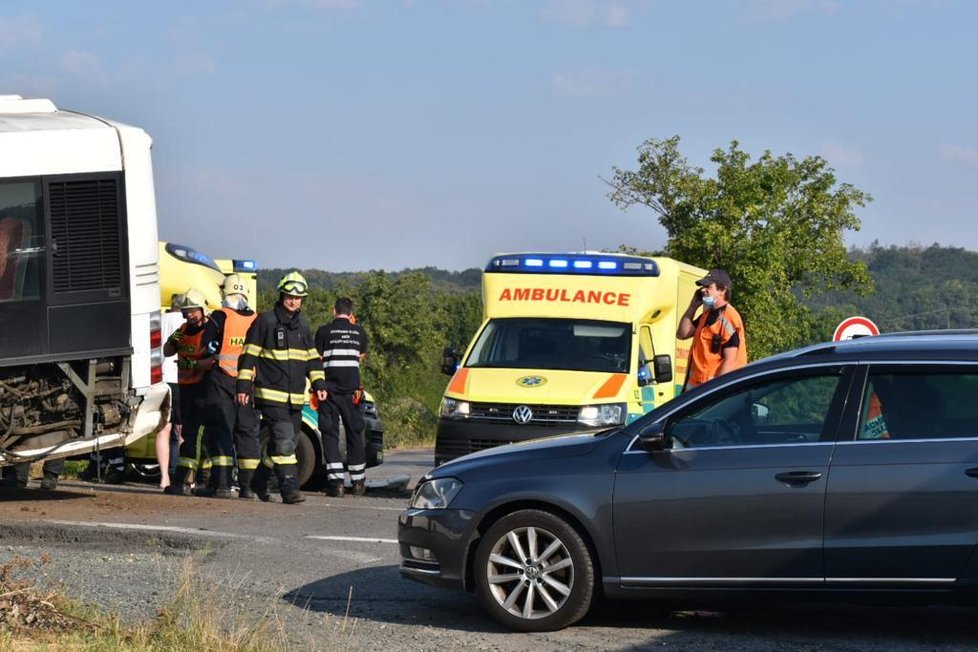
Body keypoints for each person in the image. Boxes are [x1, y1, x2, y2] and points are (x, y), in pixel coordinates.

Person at [236, 271, 326, 504]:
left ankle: (258, 480)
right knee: (286, 441)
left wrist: (319, 383)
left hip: (295, 397)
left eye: (298, 297)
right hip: (270, 394)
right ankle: (290, 490)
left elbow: (313, 359)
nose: (293, 300)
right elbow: (248, 356)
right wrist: (243, 387)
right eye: (289, 296)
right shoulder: (265, 321)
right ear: (282, 295)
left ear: (302, 300)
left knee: (284, 444)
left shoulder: (303, 327)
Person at [197, 274, 260, 499]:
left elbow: (207, 347)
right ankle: (249, 487)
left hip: (222, 380)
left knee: (221, 430)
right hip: (248, 382)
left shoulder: (220, 316)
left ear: (226, 292)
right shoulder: (256, 318)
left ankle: (222, 485)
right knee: (247, 433)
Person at [315, 297, 369, 498]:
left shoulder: (323, 331)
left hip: (329, 391)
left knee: (330, 435)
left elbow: (317, 358)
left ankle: (336, 484)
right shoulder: (359, 332)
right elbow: (360, 356)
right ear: (351, 313)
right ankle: (358, 483)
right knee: (355, 433)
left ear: (333, 310)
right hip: (352, 392)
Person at [162, 288, 214, 496]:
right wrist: (173, 341)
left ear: (202, 309)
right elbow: (167, 349)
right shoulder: (182, 329)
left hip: (203, 388)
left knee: (196, 434)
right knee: (187, 433)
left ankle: (197, 479)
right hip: (185, 388)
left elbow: (212, 361)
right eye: (187, 311)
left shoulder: (210, 330)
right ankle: (185, 480)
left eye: (193, 310)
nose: (189, 314)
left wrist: (191, 363)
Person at [676, 268, 747, 390]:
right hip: (696, 386)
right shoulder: (707, 314)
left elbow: (730, 360)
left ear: (722, 290)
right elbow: (682, 334)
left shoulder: (729, 318)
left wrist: (715, 390)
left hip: (711, 389)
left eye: (708, 287)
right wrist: (692, 307)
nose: (703, 290)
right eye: (703, 286)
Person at [158, 295, 186, 489]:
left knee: (164, 429)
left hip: (161, 378)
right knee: (181, 430)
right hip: (181, 378)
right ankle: (182, 476)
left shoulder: (159, 319)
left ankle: (163, 478)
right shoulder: (186, 323)